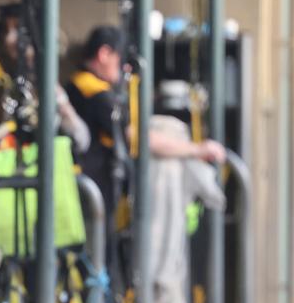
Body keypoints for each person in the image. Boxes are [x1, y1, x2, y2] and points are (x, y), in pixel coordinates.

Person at [65, 25, 225, 208]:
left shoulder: (83, 85)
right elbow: (136, 135)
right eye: (120, 60)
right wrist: (197, 149)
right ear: (104, 54)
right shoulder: (91, 90)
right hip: (90, 193)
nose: (124, 69)